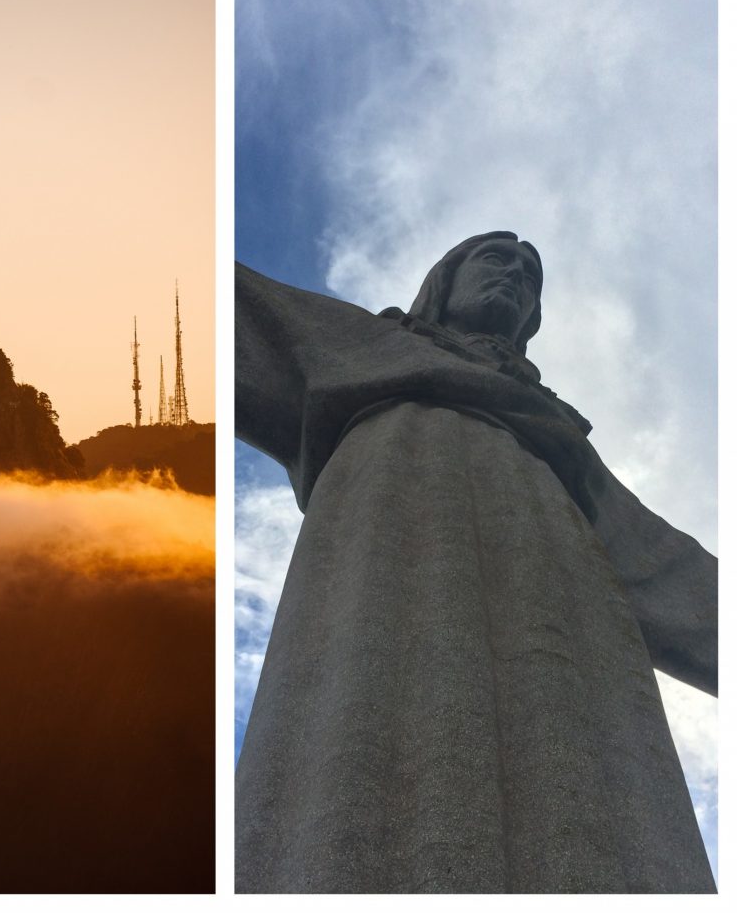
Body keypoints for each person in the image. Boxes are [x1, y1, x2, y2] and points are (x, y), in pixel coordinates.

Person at [234, 231, 716, 893]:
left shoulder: (554, 434)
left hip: (559, 598)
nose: (515, 279)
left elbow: (669, 570)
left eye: (530, 277)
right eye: (496, 259)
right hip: (391, 540)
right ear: (443, 280)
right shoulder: (358, 344)